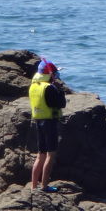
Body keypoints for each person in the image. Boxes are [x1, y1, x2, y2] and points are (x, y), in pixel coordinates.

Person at [28, 57, 66, 192]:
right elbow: (59, 104)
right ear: (50, 74)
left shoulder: (34, 85)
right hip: (49, 122)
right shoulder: (49, 88)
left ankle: (33, 186)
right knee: (51, 154)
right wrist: (60, 90)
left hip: (38, 121)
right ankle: (44, 186)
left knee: (41, 154)